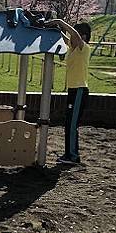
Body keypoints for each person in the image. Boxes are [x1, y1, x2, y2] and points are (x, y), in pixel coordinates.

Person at [44, 19, 91, 165]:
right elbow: (65, 36)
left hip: (79, 91)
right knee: (69, 123)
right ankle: (69, 153)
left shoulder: (84, 48)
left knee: (72, 124)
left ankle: (73, 156)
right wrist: (56, 28)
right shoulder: (73, 49)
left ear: (82, 37)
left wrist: (60, 21)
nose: (71, 39)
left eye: (75, 36)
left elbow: (73, 34)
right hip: (73, 91)